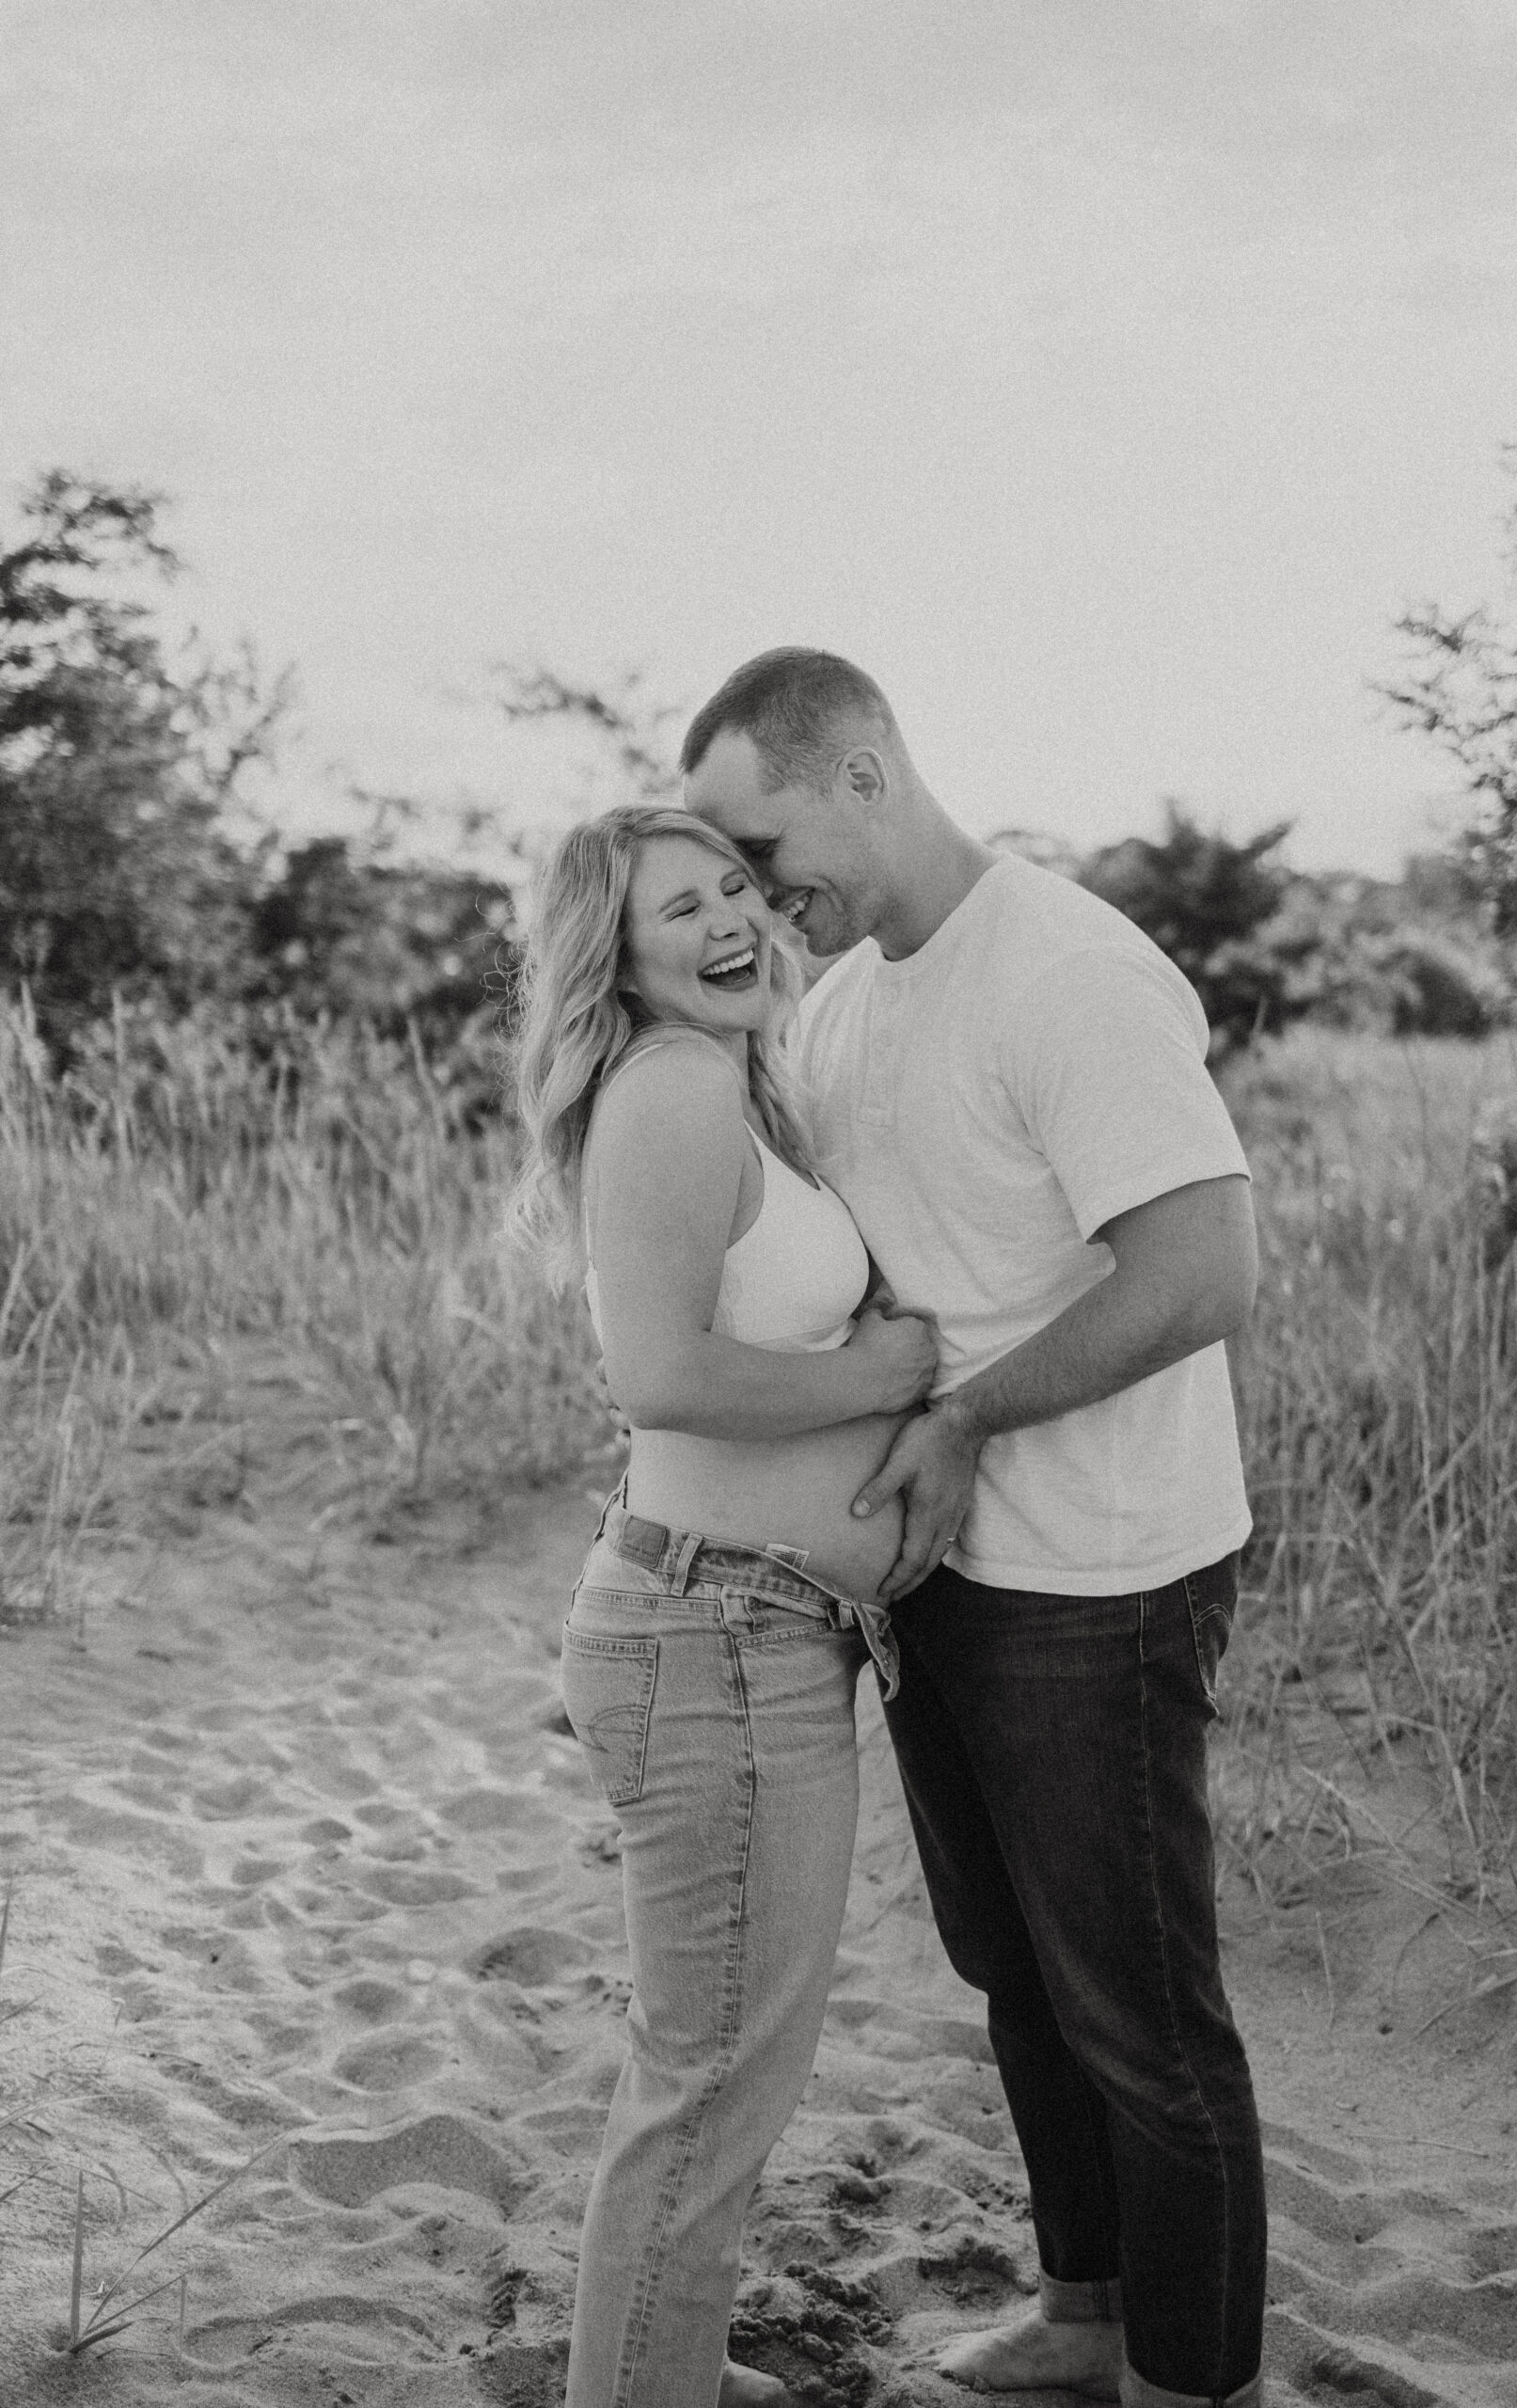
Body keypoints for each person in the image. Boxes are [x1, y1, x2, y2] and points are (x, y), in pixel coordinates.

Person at [683, 651, 1267, 2408]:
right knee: (1015, 1974)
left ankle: (1195, 2380)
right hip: (940, 1575)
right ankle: (1086, 2317)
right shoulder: (849, 1001)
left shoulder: (1068, 969)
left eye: (760, 845)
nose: (751, 892)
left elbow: (1203, 1271)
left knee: (1143, 2019)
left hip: (1101, 1573)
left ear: (864, 772)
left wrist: (962, 1419)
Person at [510, 801, 939, 2408]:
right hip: (718, 1642)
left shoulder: (729, 1083)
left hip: (741, 1632)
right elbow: (660, 1376)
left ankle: (664, 2360)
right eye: (677, 909)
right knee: (708, 2082)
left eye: (736, 887)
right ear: (614, 958)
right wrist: (880, 1374)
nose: (729, 922)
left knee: (723, 2068)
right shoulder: (676, 1085)